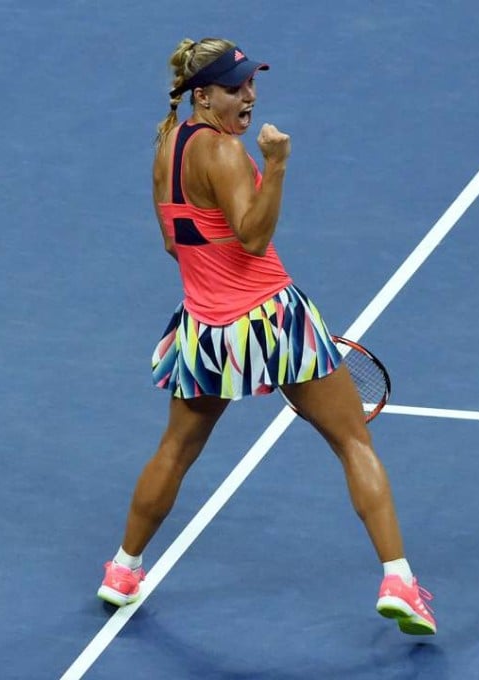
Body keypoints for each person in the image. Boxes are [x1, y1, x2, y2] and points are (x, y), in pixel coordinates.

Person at [97, 37, 436, 635]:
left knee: (174, 451)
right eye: (235, 87)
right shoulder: (226, 154)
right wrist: (275, 164)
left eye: (251, 82)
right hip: (274, 323)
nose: (249, 95)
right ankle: (400, 582)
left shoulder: (167, 147)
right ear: (203, 95)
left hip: (204, 332)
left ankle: (122, 571)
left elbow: (175, 241)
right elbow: (252, 238)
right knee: (354, 442)